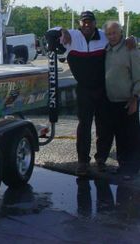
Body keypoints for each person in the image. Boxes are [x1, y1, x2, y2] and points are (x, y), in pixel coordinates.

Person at [46, 11, 114, 175]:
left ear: (95, 23)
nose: (87, 24)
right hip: (83, 88)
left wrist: (131, 40)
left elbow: (122, 40)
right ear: (79, 23)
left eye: (90, 21)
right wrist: (63, 31)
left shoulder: (105, 36)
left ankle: (101, 159)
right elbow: (49, 33)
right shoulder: (73, 36)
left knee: (104, 126)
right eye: (84, 22)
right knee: (84, 126)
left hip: (103, 88)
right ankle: (83, 162)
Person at [104, 21, 140, 180]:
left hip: (128, 101)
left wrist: (135, 98)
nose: (112, 36)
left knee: (131, 137)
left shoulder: (130, 49)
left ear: (121, 33)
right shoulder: (106, 50)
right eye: (109, 34)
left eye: (114, 33)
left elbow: (138, 77)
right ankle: (123, 167)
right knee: (119, 137)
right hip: (112, 102)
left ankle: (132, 170)